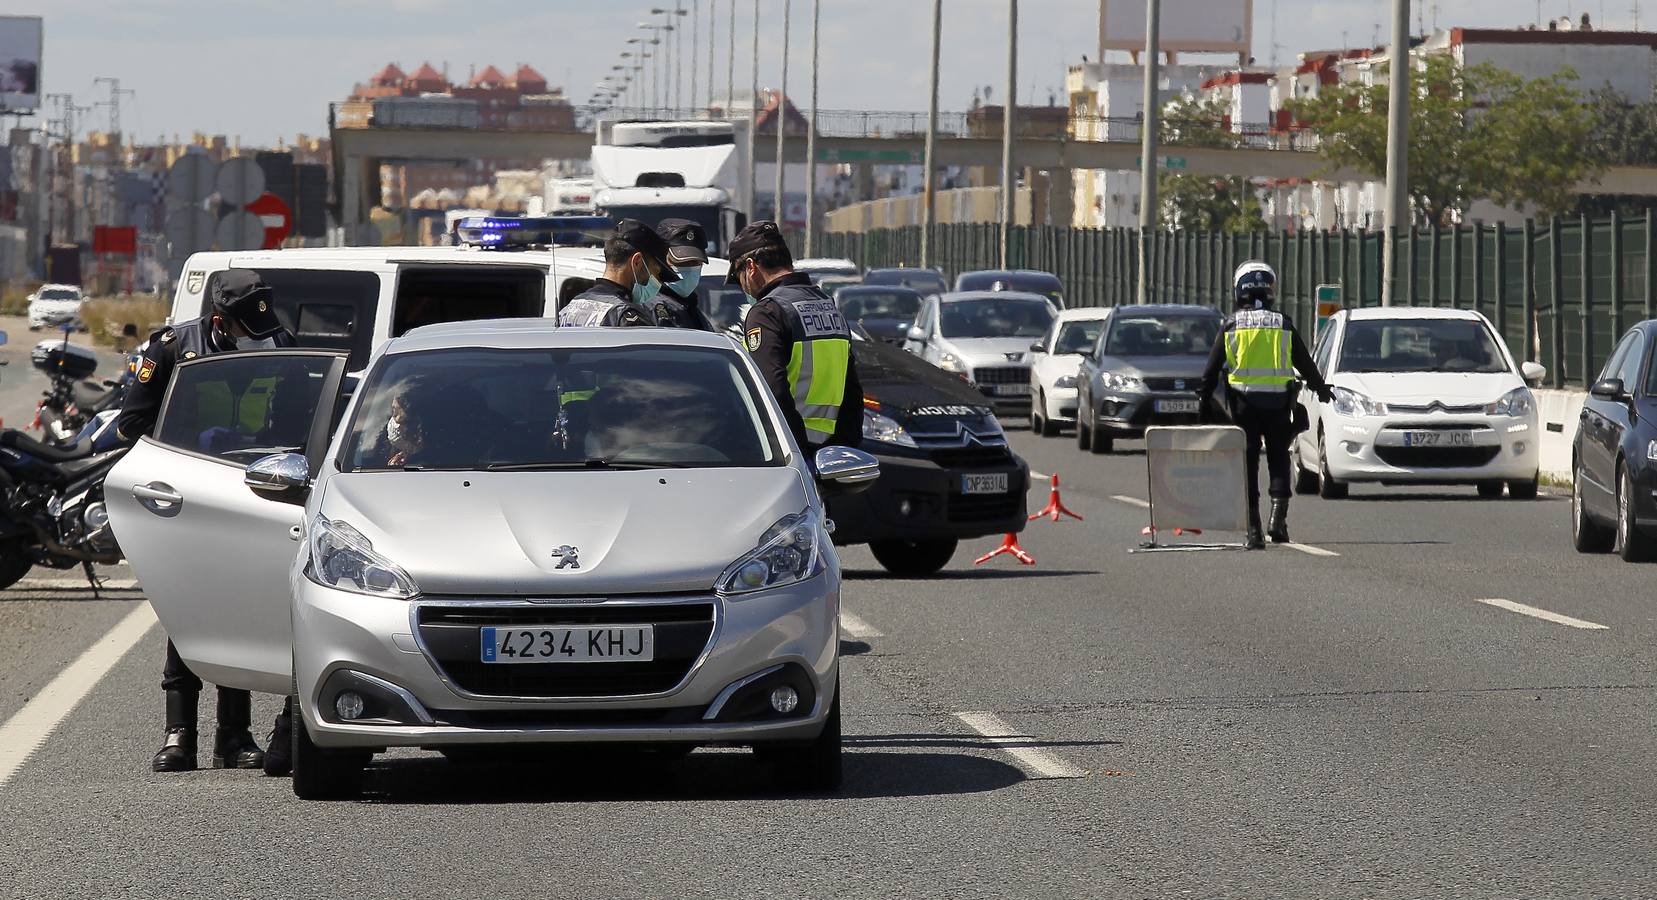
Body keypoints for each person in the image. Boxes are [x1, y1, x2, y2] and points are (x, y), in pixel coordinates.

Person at [116, 269, 300, 774]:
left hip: (248, 493)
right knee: (188, 608)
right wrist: (189, 443)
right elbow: (131, 421)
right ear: (220, 319)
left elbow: (293, 416)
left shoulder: (274, 342)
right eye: (243, 327)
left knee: (233, 610)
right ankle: (180, 734)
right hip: (188, 492)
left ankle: (233, 736)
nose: (253, 336)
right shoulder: (176, 348)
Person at [1199, 260, 1332, 550]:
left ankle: (1254, 531)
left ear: (1239, 290)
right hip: (1278, 404)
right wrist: (1321, 389)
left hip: (1243, 407)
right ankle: (1278, 522)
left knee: (1247, 465)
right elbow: (1304, 363)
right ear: (1270, 289)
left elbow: (1210, 371)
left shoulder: (1231, 325)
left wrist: (1203, 400)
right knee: (1278, 459)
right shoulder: (1282, 324)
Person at [730, 221, 864, 452]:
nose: (743, 287)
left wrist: (795, 450)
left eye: (738, 276)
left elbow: (771, 389)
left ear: (751, 267)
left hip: (789, 449)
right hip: (832, 452)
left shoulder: (767, 312)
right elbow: (852, 390)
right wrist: (845, 450)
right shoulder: (828, 306)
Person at [556, 218, 680, 327]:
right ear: (637, 262)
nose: (657, 282)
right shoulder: (626, 318)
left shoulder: (569, 309)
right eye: (656, 272)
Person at [648, 219, 716, 331]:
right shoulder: (651, 307)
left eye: (695, 262)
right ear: (659, 260)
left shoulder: (690, 308)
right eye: (681, 263)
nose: (689, 268)